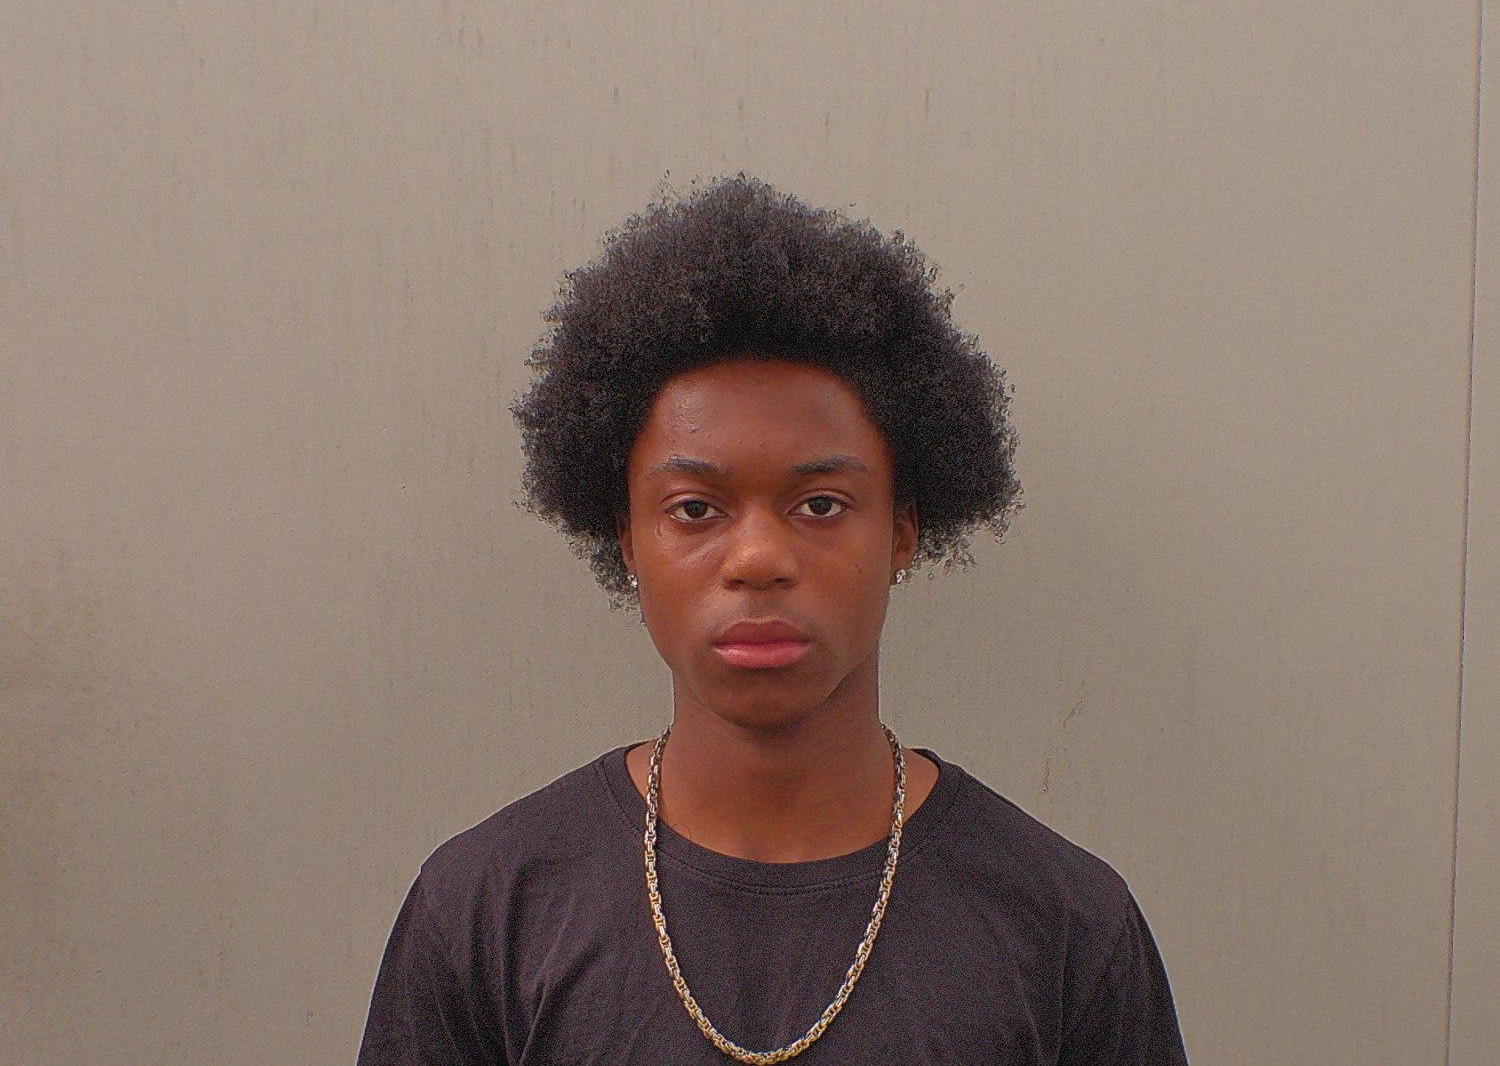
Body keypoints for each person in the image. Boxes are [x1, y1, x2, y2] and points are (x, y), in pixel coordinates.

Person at [357, 176, 1188, 1064]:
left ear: (903, 529)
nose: (757, 557)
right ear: (626, 537)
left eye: (821, 503)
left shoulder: (1067, 930)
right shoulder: (483, 915)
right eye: (694, 508)